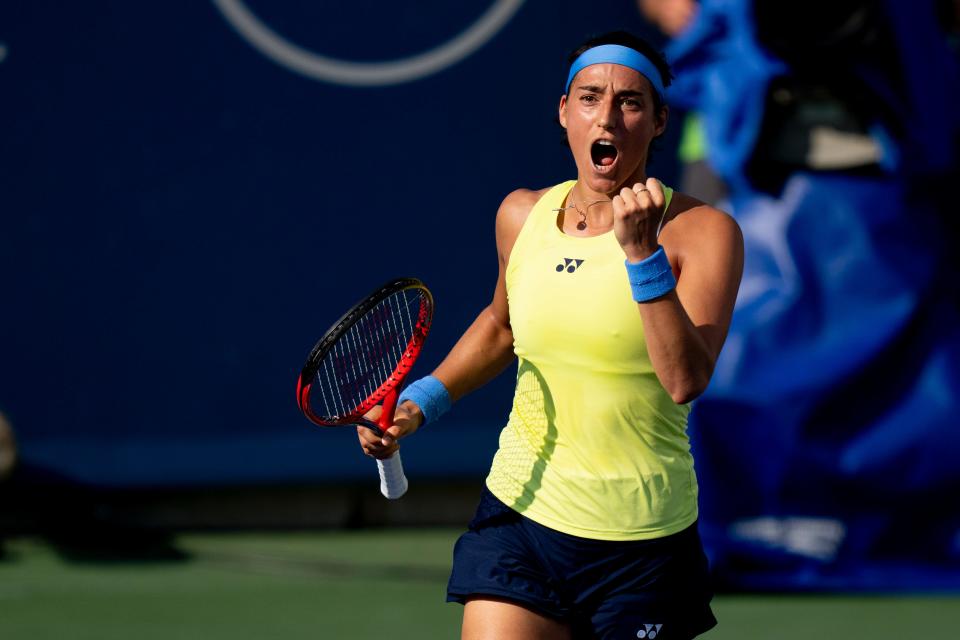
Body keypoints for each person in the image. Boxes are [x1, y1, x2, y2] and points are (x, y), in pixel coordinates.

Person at [359, 31, 743, 640]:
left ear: (659, 121)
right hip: (521, 517)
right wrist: (418, 405)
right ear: (564, 112)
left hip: (641, 545)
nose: (608, 116)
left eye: (631, 102)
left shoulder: (705, 233)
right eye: (590, 98)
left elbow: (685, 380)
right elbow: (500, 329)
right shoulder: (522, 215)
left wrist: (642, 254)